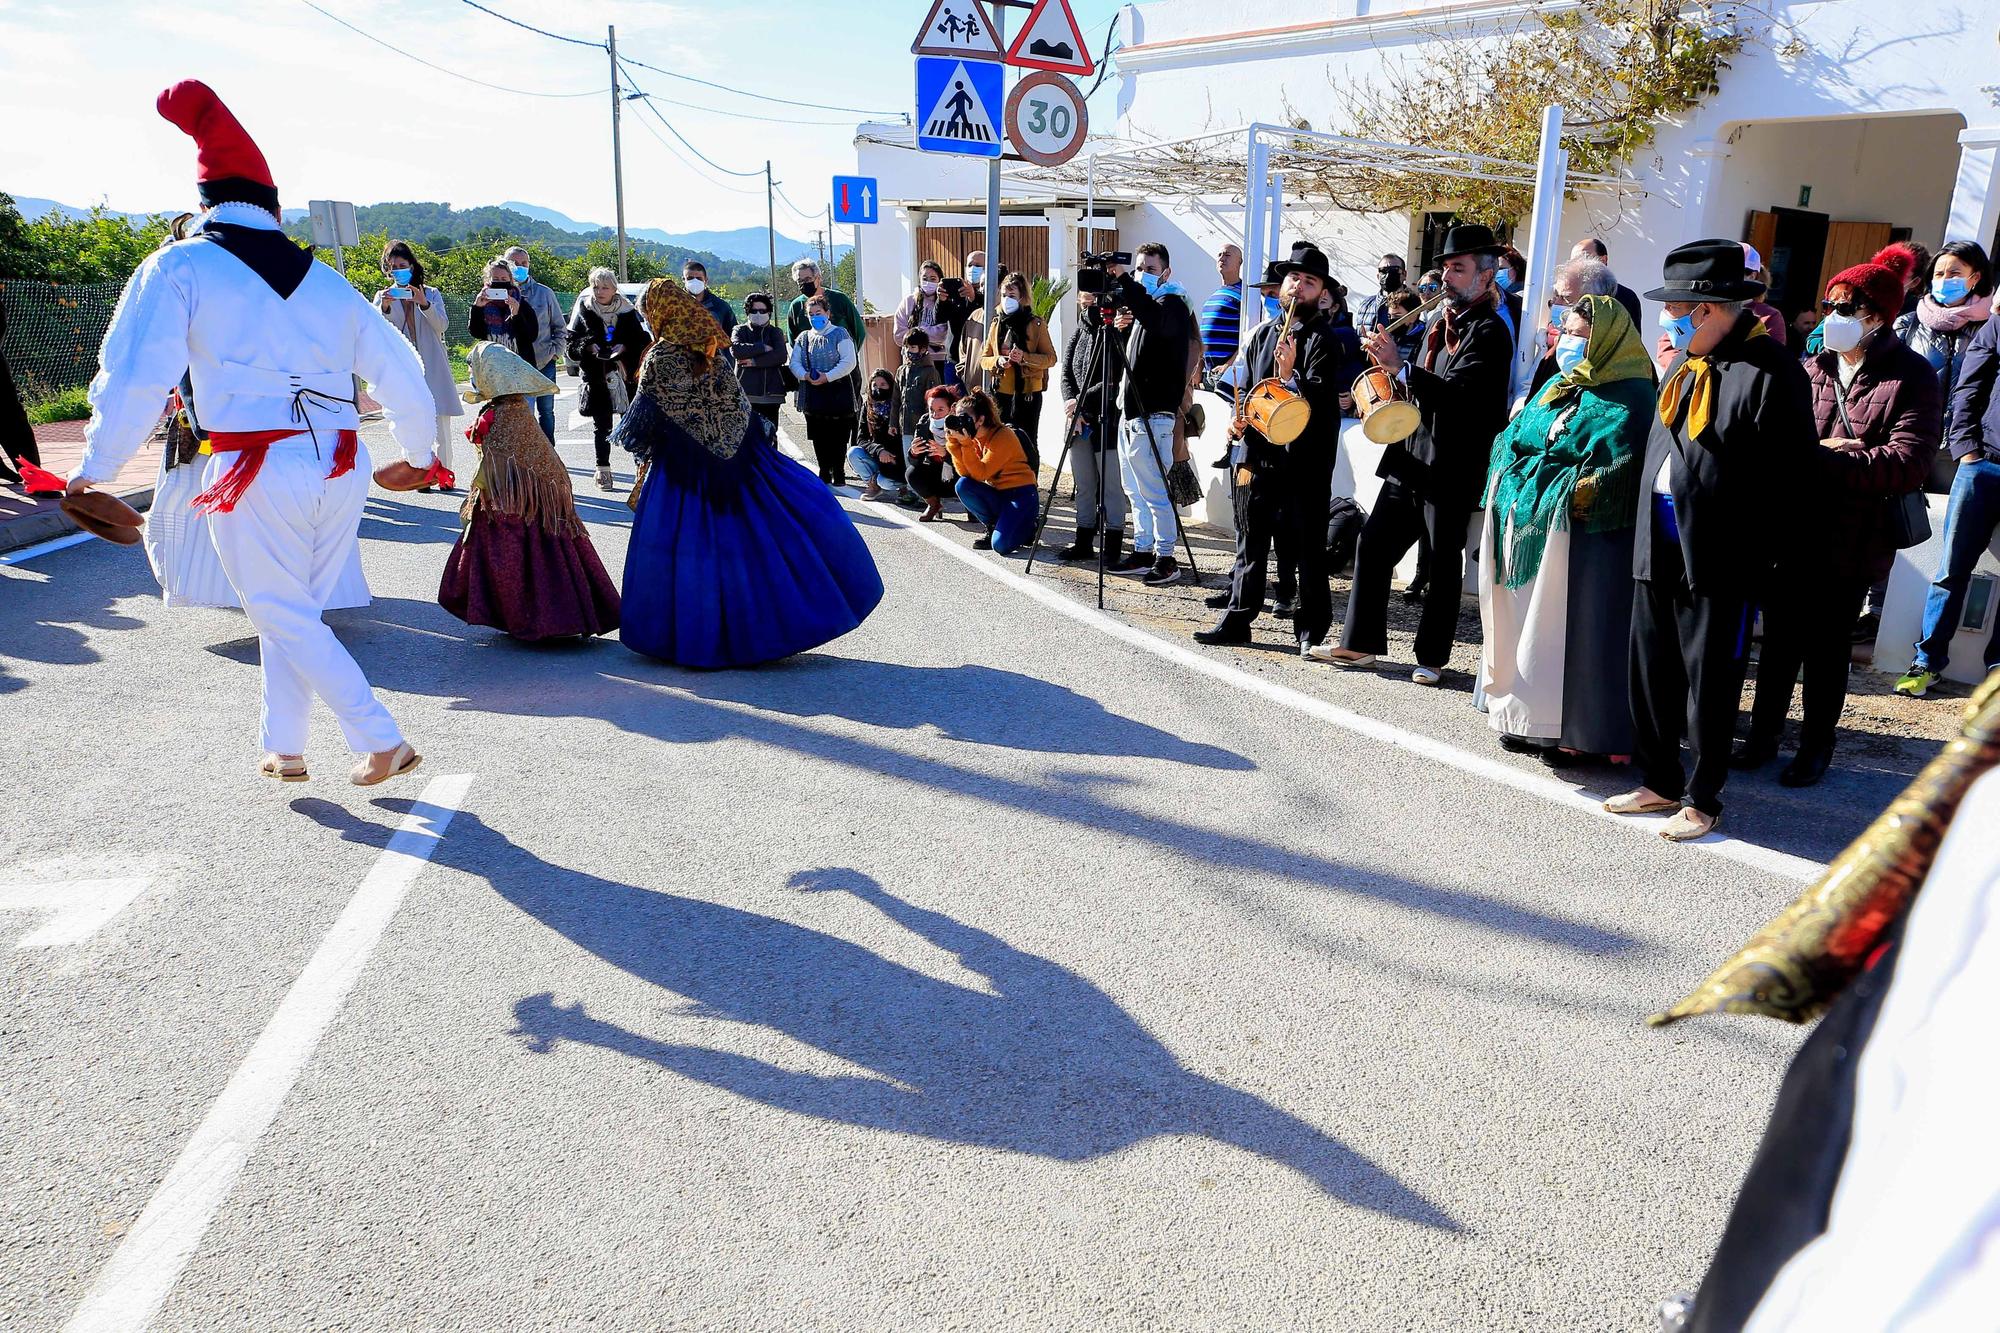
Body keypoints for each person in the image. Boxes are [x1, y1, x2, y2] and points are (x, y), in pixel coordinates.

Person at [69, 79, 433, 785]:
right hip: (342, 463)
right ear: (271, 205)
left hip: (253, 469)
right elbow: (402, 372)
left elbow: (137, 374)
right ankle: (286, 745)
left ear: (206, 202)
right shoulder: (330, 282)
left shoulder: (179, 265)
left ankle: (380, 736)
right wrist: (420, 455)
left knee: (279, 608)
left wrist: (97, 465)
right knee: (293, 608)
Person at [1605, 239, 1816, 842]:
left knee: (1711, 682)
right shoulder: (1683, 365)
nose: (1669, 318)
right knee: (1650, 668)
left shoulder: (1773, 373)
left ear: (1710, 310)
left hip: (1723, 553)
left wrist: (1764, 556)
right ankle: (1660, 780)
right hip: (1659, 539)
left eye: (1677, 307)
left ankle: (1703, 796)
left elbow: (1789, 478)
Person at [1734, 257, 1941, 787]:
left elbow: (1908, 462)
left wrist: (1827, 459)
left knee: (1826, 651)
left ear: (1879, 316)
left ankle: (1816, 747)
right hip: (1793, 529)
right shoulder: (1813, 366)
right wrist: (1823, 451)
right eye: (1829, 306)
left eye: (1847, 308)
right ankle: (1762, 738)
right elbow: (1779, 441)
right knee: (1778, 644)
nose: (1833, 316)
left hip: (1854, 538)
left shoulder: (1912, 376)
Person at [616, 278, 882, 668]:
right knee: (756, 538)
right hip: (738, 461)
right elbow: (740, 408)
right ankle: (759, 631)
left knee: (691, 550)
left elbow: (639, 422)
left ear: (659, 314)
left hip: (681, 472)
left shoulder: (659, 358)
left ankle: (696, 635)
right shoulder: (712, 350)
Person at [1326, 224, 1514, 683]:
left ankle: (1431, 658)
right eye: (1446, 267)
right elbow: (1421, 387)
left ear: (1486, 277)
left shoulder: (1491, 331)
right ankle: (1360, 644)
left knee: (1442, 560)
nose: (1447, 277)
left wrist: (1401, 366)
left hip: (1452, 463)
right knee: (1372, 545)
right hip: (1411, 454)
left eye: (1459, 269)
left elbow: (1461, 396)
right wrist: (1388, 379)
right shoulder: (1437, 322)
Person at [1479, 294, 1654, 765]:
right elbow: (1511, 439)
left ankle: (1586, 732)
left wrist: (1566, 484)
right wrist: (1524, 476)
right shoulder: (1557, 385)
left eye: (1579, 334)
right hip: (1534, 525)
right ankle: (1524, 719)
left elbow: (1622, 463)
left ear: (1609, 339)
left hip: (1592, 536)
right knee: (1527, 626)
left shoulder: (1634, 392)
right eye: (1565, 332)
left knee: (1580, 633)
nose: (1566, 343)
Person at [1196, 246, 1344, 654]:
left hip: (1304, 461)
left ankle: (1311, 629)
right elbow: (1245, 390)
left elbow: (1320, 401)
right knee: (1251, 539)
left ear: (1321, 293)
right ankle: (1238, 618)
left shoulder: (1323, 339)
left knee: (1307, 547)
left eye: (1309, 282)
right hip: (1257, 456)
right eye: (1295, 279)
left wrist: (1289, 374)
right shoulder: (1262, 332)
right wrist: (1237, 418)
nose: (1299, 286)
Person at [438, 344, 621, 641]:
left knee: (515, 550)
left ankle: (535, 619)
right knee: (545, 552)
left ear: (493, 375)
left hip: (515, 498)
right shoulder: (510, 407)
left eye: (474, 370)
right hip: (528, 494)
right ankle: (545, 617)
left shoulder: (504, 413)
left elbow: (497, 462)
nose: (472, 375)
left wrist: (481, 498)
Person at [1896, 254, 2000, 697]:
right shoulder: (1998, 325)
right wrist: (1968, 450)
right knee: (1950, 569)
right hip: (1984, 466)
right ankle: (1926, 661)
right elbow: (1970, 385)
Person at [1106, 242, 1195, 587]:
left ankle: (1166, 556)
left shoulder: (1173, 303)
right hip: (1131, 414)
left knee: (1155, 490)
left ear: (1167, 273)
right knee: (1135, 489)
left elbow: (1161, 327)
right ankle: (1143, 550)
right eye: (1139, 267)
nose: (1143, 274)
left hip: (1155, 414)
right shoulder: (1146, 307)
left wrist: (1127, 283)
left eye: (1150, 269)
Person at [372, 239, 462, 489]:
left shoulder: (431, 293)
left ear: (412, 265)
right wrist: (387, 308)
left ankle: (445, 475)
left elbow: (441, 326)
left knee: (441, 427)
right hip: (405, 371)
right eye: (393, 266)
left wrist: (423, 303)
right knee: (410, 424)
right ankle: (420, 475)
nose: (398, 269)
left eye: (403, 264)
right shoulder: (382, 296)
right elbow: (379, 335)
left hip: (433, 366)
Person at [1058, 286, 1127, 565]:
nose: (1090, 302)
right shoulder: (1081, 328)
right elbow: (1065, 371)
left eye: (1095, 297)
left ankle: (1113, 545)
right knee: (1084, 484)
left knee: (1111, 485)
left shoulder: (1115, 331)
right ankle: (1083, 541)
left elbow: (1113, 380)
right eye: (1086, 296)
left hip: (1106, 420)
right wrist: (1070, 403)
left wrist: (1079, 403)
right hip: (1077, 421)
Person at [566, 266, 650, 493]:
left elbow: (643, 342)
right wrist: (587, 346)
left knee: (632, 424)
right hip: (597, 377)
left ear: (614, 289)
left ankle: (640, 471)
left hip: (624, 376)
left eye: (605, 287)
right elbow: (571, 346)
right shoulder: (584, 310)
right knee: (601, 426)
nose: (600, 291)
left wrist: (625, 346)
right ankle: (602, 470)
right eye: (596, 286)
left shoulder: (628, 311)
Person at [1894, 240, 1992, 419]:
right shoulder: (1907, 325)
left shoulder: (1990, 329)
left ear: (1976, 277)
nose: (1945, 280)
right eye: (1938, 274)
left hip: (1966, 438)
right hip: (1912, 431)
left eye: (1954, 273)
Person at [945, 388, 1040, 555]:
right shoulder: (973, 437)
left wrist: (965, 445)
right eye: (959, 418)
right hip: (999, 494)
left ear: (980, 420)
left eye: (965, 418)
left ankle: (1030, 526)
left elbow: (981, 474)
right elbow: (966, 474)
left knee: (1001, 546)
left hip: (1021, 495)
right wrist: (954, 444)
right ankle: (994, 525)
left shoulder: (1003, 436)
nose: (962, 423)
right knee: (963, 485)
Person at [981, 271, 1057, 468]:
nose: (1007, 300)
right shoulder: (997, 322)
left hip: (1028, 392)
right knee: (1000, 439)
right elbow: (984, 359)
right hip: (1001, 392)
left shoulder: (1036, 323)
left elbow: (1050, 358)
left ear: (1022, 297)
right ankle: (1004, 483)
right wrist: (998, 361)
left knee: (1028, 439)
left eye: (1012, 296)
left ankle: (1030, 483)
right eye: (1004, 295)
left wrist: (1024, 357)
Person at [789, 292, 860, 485]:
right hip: (813, 392)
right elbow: (794, 362)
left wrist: (827, 377)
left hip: (838, 391)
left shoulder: (840, 334)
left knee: (839, 435)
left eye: (818, 312)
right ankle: (824, 470)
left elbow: (849, 361)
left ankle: (839, 471)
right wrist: (805, 376)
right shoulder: (803, 338)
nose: (815, 317)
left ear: (828, 313)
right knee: (819, 436)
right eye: (811, 314)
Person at [1526, 257, 1619, 396]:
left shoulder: (1617, 360)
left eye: (1566, 298)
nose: (1555, 303)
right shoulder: (1559, 345)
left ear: (1594, 302)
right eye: (1556, 296)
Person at [502, 245, 565, 443]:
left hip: (544, 362)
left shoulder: (545, 293)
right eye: (515, 263)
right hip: (514, 366)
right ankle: (528, 454)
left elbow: (560, 327)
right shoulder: (497, 295)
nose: (520, 267)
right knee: (523, 413)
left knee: (546, 411)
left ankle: (549, 453)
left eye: (524, 263)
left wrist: (555, 353)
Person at [730, 291, 789, 432]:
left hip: (771, 395)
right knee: (746, 438)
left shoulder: (775, 332)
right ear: (747, 312)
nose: (758, 314)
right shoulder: (739, 330)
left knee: (769, 437)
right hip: (746, 393)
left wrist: (754, 361)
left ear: (769, 312)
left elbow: (780, 356)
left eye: (762, 311)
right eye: (754, 310)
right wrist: (763, 347)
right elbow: (736, 350)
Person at [850, 369, 909, 501]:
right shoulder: (868, 406)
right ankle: (873, 485)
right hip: (878, 455)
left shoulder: (898, 408)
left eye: (883, 384)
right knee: (853, 453)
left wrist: (890, 455)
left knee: (885, 482)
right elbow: (861, 438)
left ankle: (904, 486)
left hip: (896, 459)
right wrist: (879, 450)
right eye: (875, 385)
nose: (878, 388)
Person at [905, 383, 961, 522]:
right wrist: (914, 453)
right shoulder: (924, 423)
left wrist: (946, 455)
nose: (935, 415)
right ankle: (933, 504)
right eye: (932, 410)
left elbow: (971, 460)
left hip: (958, 476)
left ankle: (973, 508)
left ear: (951, 409)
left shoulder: (961, 423)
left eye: (941, 409)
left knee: (968, 480)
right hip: (935, 475)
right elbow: (914, 461)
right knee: (912, 473)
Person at [894, 327, 942, 488]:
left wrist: (929, 425)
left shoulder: (930, 372)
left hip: (921, 427)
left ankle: (922, 493)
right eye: (907, 347)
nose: (909, 351)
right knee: (909, 457)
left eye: (913, 347)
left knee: (922, 460)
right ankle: (911, 489)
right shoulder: (902, 371)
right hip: (905, 425)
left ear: (923, 349)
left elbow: (933, 401)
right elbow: (896, 400)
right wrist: (893, 423)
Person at [469, 258, 539, 361]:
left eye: (503, 279)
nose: (500, 282)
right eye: (496, 279)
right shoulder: (482, 303)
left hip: (520, 366)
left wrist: (516, 315)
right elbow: (476, 333)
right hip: (491, 363)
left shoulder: (522, 304)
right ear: (489, 280)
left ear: (510, 280)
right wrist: (477, 308)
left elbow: (531, 336)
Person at [785, 258, 864, 346]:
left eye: (808, 279)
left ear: (818, 278)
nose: (804, 283)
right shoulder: (796, 306)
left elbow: (859, 332)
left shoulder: (839, 299)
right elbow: (794, 341)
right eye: (800, 281)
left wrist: (849, 354)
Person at [894, 262, 953, 376]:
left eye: (933, 278)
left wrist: (917, 333)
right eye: (924, 278)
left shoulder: (946, 303)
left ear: (939, 280)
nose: (928, 282)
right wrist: (929, 336)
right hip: (912, 361)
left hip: (940, 362)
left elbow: (944, 334)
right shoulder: (908, 302)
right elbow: (899, 336)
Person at [1569, 236, 1644, 326]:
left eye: (1583, 257)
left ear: (1603, 260)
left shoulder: (1626, 297)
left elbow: (1632, 337)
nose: (1578, 264)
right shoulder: (1568, 293)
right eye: (1573, 261)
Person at [1199, 243, 1246, 369]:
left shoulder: (1245, 295)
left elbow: (1249, 337)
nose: (1222, 258)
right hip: (1208, 372)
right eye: (1219, 255)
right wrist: (1198, 365)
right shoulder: (1214, 296)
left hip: (1229, 373)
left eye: (1227, 255)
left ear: (1239, 262)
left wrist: (1228, 365)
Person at [681, 260, 735, 335]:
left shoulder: (721, 307)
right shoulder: (673, 305)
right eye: (690, 278)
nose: (695, 281)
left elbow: (732, 336)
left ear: (705, 280)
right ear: (683, 280)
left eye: (699, 278)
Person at [1357, 252, 1406, 331]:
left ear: (1404, 274)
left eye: (1394, 270)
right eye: (1383, 271)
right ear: (1378, 276)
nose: (1388, 275)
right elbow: (1358, 336)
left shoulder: (1414, 304)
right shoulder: (1365, 304)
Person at [1494, 244, 1527, 346]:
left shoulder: (1525, 297)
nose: (1495, 273)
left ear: (1515, 269)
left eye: (1500, 269)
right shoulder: (1497, 298)